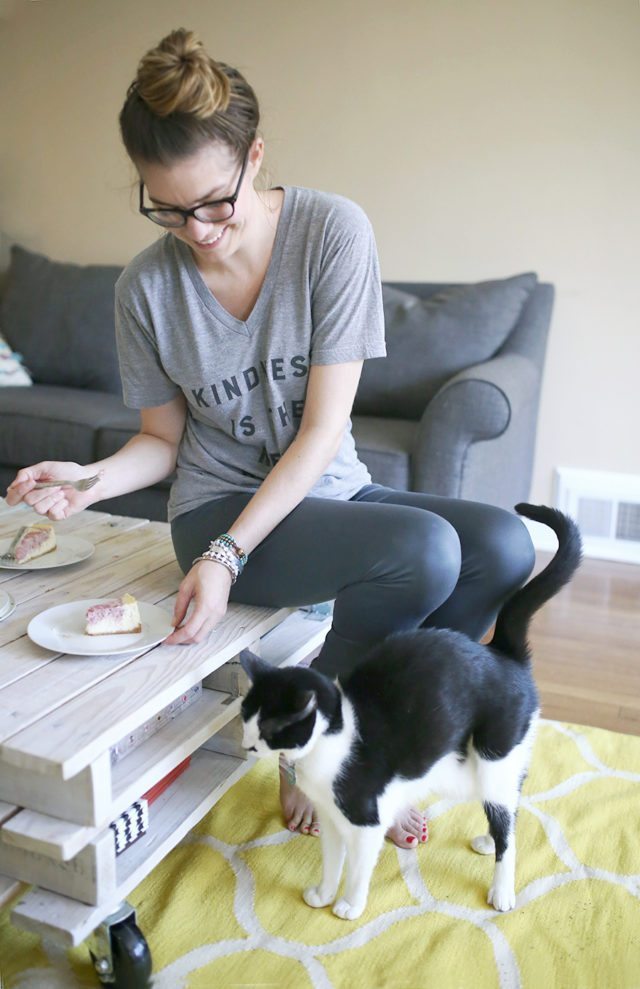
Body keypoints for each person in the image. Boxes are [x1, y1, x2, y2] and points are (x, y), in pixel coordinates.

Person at [6, 28, 535, 847]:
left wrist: (231, 558)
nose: (198, 229)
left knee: (501, 545)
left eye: (215, 201)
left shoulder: (332, 232)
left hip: (324, 489)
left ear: (255, 157)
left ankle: (376, 741)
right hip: (213, 507)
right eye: (168, 208)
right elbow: (160, 440)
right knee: (426, 552)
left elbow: (323, 432)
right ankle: (323, 749)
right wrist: (89, 481)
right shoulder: (145, 287)